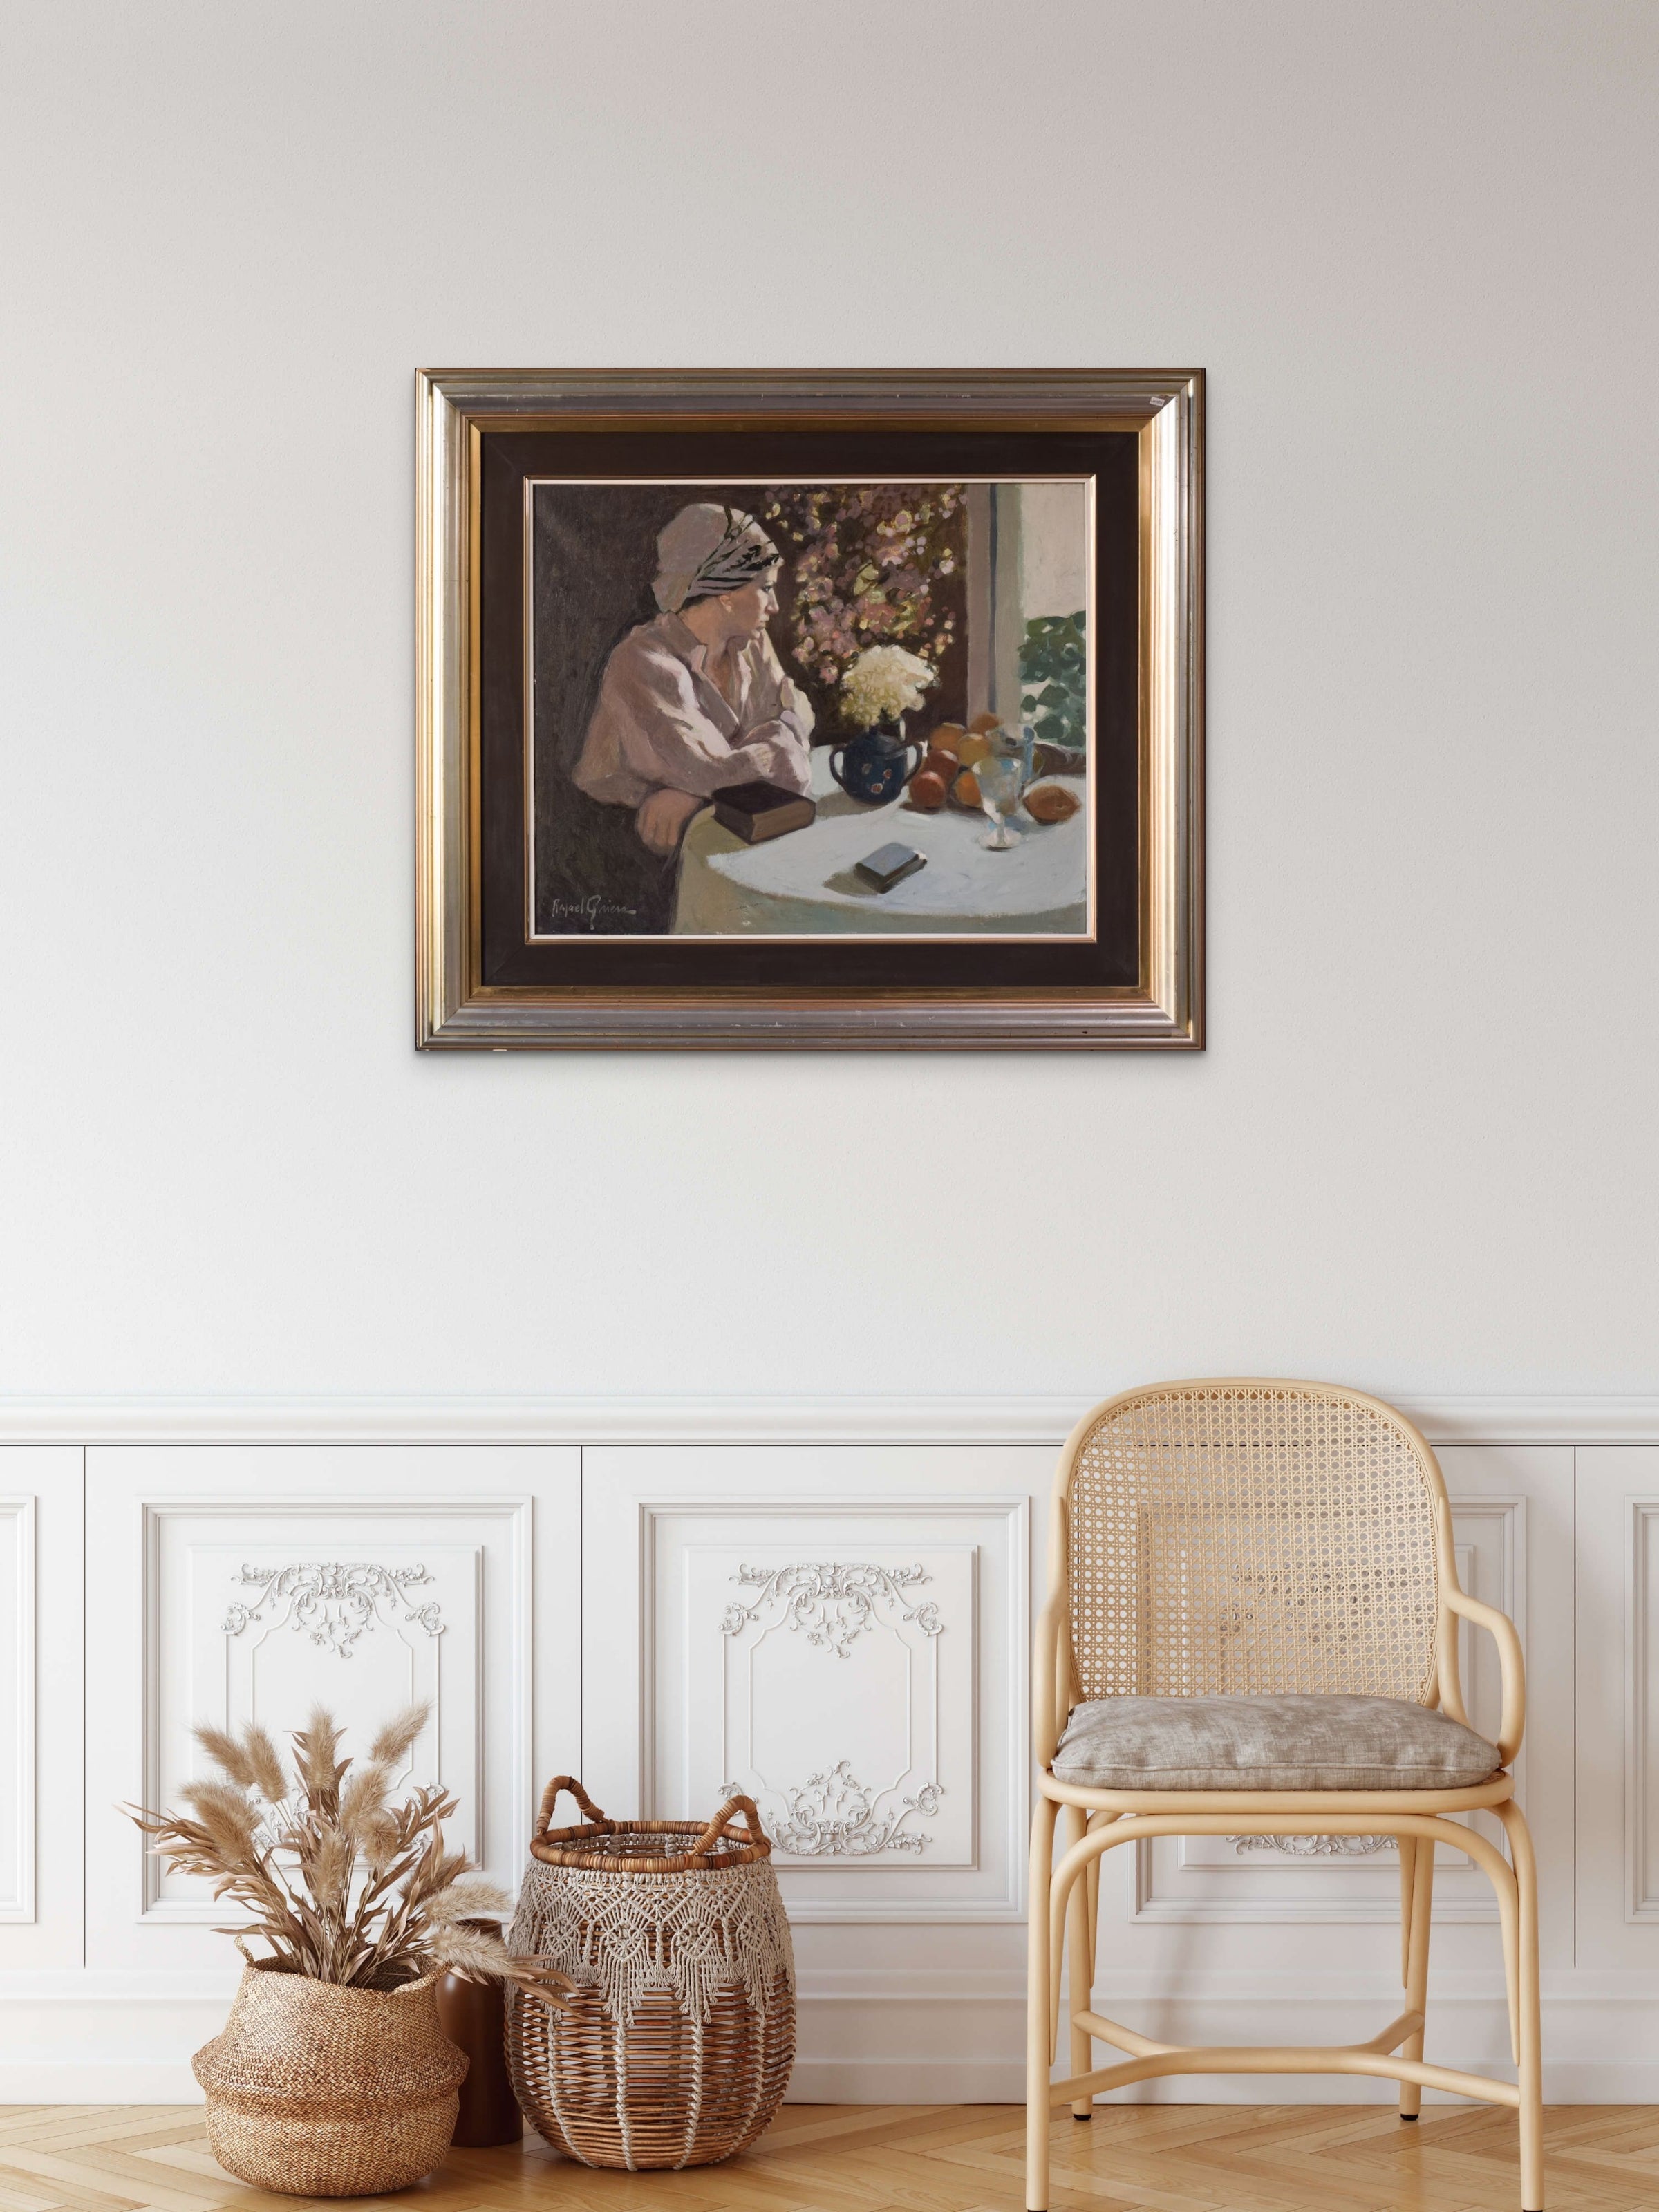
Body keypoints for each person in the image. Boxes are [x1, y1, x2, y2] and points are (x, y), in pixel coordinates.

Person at [573, 504, 815, 855]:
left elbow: (797, 718)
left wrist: (690, 791)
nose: (775, 606)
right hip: (625, 841)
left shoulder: (751, 645)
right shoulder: (645, 662)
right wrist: (781, 734)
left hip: (728, 820)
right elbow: (718, 770)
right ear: (726, 594)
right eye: (765, 588)